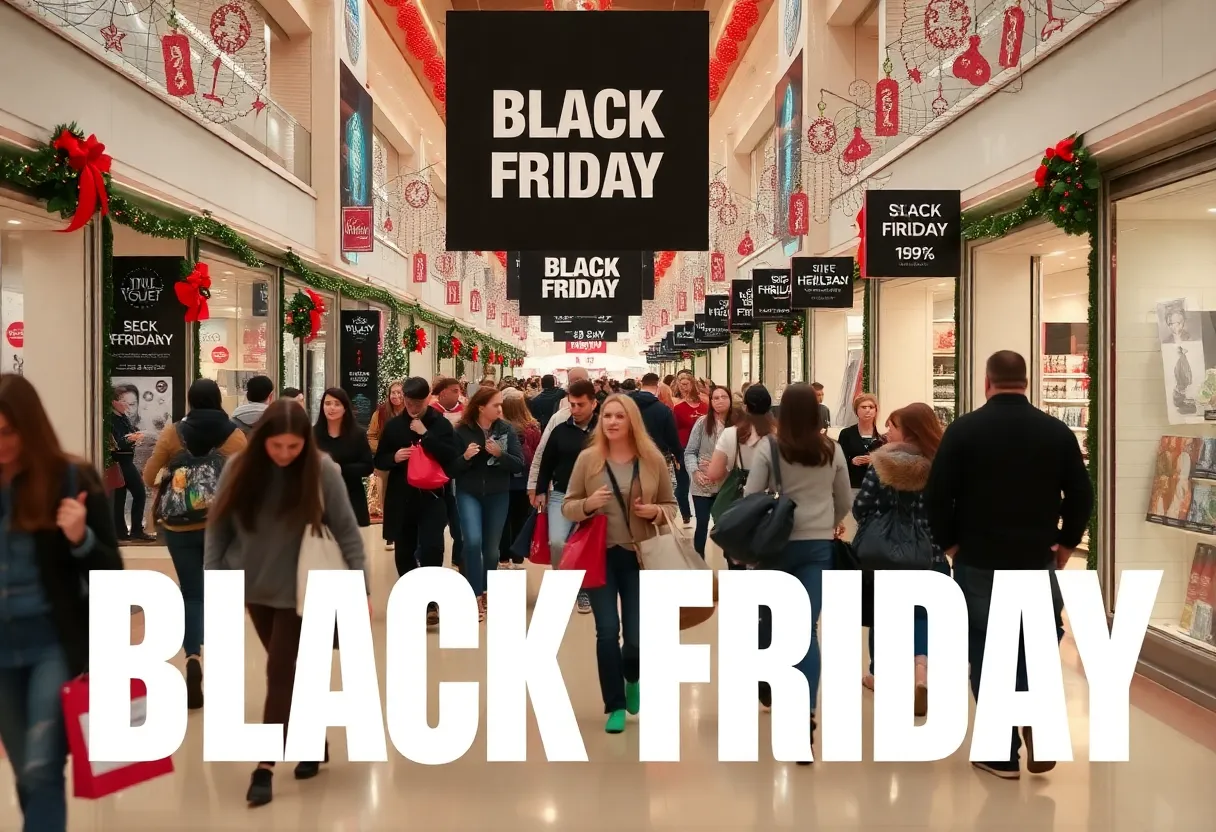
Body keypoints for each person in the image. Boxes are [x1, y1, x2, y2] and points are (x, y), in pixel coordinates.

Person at [925, 350, 1093, 780]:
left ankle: (1001, 752)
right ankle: (1035, 713)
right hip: (1036, 559)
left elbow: (938, 495)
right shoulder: (1056, 433)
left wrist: (951, 544)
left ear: (987, 382)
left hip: (979, 559)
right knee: (1034, 643)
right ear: (1027, 382)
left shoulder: (963, 431)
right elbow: (1081, 494)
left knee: (985, 648)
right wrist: (1067, 543)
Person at [204, 399, 367, 806]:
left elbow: (347, 532)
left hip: (303, 587)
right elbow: (217, 528)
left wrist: (359, 589)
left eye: (293, 448)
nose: (284, 455)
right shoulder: (240, 468)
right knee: (289, 673)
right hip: (252, 585)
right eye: (277, 447)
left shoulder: (322, 470)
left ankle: (264, 767)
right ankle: (313, 738)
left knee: (279, 671)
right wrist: (216, 581)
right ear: (263, 441)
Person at [0, 375, 122, 832]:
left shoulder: (70, 479)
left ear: (30, 429)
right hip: (2, 652)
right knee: (26, 773)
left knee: (41, 767)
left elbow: (112, 575)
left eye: (9, 432)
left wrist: (80, 537)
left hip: (53, 643)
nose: (2, 444)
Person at [743, 383, 852, 762]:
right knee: (806, 630)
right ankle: (804, 714)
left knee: (771, 625)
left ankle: (772, 683)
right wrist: (827, 522)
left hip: (775, 547)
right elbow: (845, 499)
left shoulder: (769, 449)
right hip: (816, 548)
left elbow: (751, 497)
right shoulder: (832, 450)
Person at [562, 394, 677, 734]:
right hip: (599, 556)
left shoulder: (652, 459)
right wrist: (587, 504)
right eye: (607, 416)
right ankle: (613, 704)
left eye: (619, 416)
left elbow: (671, 505)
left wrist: (655, 512)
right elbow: (567, 505)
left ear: (632, 422)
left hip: (640, 556)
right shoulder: (588, 460)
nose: (611, 422)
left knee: (637, 636)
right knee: (607, 631)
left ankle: (633, 678)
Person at [141, 377, 247, 710]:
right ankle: (226, 664)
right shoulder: (233, 434)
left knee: (192, 592)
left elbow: (148, 475)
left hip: (179, 525)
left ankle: (192, 656)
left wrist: (176, 471)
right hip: (222, 524)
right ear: (217, 399)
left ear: (189, 401)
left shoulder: (173, 433)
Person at [852, 402, 947, 715]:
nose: (887, 431)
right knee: (922, 612)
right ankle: (921, 670)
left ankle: (880, 673)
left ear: (907, 430)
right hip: (929, 551)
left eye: (892, 426)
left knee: (885, 611)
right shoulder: (941, 463)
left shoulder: (882, 464)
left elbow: (861, 506)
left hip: (886, 553)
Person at [375, 377, 462, 624]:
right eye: (408, 402)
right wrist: (394, 457)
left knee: (433, 547)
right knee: (404, 551)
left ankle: (431, 602)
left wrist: (426, 435)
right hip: (402, 497)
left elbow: (451, 457)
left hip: (433, 497)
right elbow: (379, 460)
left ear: (426, 400)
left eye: (417, 402)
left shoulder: (440, 424)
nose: (412, 407)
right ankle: (413, 595)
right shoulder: (393, 427)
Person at [452, 388, 525, 619]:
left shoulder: (506, 429)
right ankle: (473, 595)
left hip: (498, 494)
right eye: (496, 405)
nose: (500, 409)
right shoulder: (462, 431)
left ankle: (485, 591)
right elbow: (450, 468)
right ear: (481, 407)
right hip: (468, 492)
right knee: (472, 541)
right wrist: (464, 457)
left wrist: (500, 454)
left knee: (491, 548)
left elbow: (518, 464)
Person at [535, 379, 599, 614]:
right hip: (561, 494)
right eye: (572, 404)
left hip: (595, 497)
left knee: (585, 545)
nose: (575, 409)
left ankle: (583, 589)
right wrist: (540, 489)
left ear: (593, 403)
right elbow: (546, 461)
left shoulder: (604, 429)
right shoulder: (560, 430)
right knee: (558, 542)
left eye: (580, 404)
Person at [683, 384, 734, 558]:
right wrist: (695, 472)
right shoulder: (702, 423)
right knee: (702, 524)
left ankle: (732, 564)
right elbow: (690, 451)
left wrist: (719, 464)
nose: (720, 401)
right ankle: (699, 562)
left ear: (730, 400)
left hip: (727, 485)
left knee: (727, 526)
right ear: (710, 401)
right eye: (716, 398)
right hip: (702, 484)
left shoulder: (737, 425)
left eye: (724, 397)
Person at [313, 388, 375, 528]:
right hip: (321, 498)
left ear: (345, 408)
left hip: (351, 496)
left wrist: (341, 469)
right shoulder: (313, 434)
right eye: (327, 403)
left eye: (336, 404)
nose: (332, 408)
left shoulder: (357, 434)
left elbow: (367, 466)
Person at [498, 391, 540, 569]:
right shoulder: (533, 427)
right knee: (521, 519)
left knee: (503, 520)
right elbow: (538, 455)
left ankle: (504, 557)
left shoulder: (502, 428)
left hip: (505, 480)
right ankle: (518, 556)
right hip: (526, 481)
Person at [109, 385, 154, 541]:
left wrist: (135, 436)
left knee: (121, 497)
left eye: (130, 402)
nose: (127, 405)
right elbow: (117, 442)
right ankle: (133, 530)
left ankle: (122, 531)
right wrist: (131, 438)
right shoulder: (111, 419)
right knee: (138, 493)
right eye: (123, 401)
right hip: (121, 461)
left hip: (126, 460)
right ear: (114, 402)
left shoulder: (123, 417)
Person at [430, 377, 466, 570]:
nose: (458, 394)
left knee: (458, 519)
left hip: (459, 471)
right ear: (443, 392)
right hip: (436, 472)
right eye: (454, 390)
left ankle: (459, 557)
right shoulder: (431, 412)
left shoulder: (465, 411)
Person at [369, 381, 406, 545]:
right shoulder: (381, 413)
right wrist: (381, 450)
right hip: (386, 462)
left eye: (399, 392)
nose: (396, 396)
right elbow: (371, 435)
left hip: (406, 460)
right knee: (386, 497)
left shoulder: (410, 411)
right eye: (393, 393)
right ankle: (390, 534)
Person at [672, 370, 706, 527]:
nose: (683, 386)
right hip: (683, 448)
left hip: (703, 447)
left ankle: (703, 514)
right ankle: (685, 513)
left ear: (692, 384)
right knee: (683, 482)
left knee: (703, 482)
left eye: (686, 383)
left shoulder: (704, 404)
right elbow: (673, 429)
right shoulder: (676, 406)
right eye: (680, 383)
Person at [629, 372, 682, 464]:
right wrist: (678, 456)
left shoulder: (626, 405)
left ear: (641, 384)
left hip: (629, 457)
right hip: (657, 458)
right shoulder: (663, 410)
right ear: (658, 387)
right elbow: (672, 439)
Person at [837, 393, 884, 496]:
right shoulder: (846, 434)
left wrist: (874, 460)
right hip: (854, 485)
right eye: (863, 407)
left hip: (878, 487)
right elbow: (839, 460)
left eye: (871, 407)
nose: (867, 410)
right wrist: (852, 461)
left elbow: (889, 461)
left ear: (876, 410)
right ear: (856, 411)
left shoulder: (882, 435)